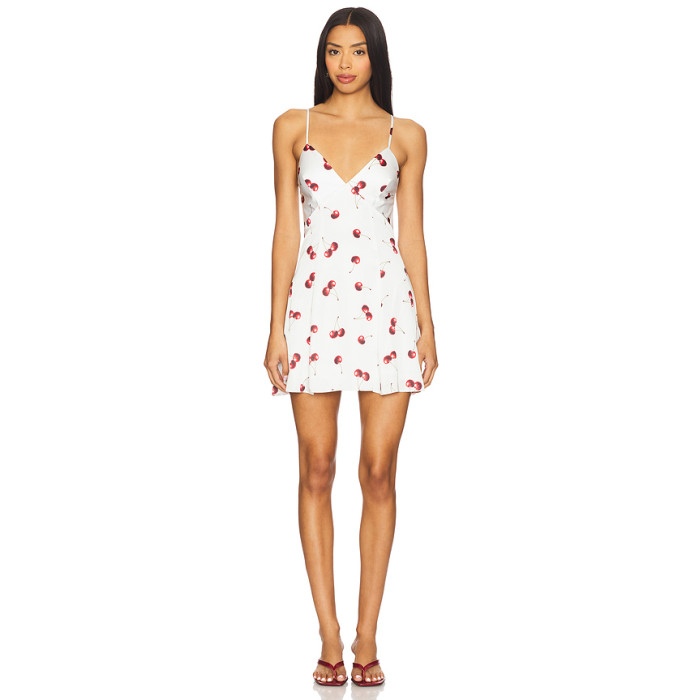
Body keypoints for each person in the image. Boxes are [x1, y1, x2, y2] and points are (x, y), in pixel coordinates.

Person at [263, 7, 437, 687]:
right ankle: (329, 635)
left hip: (387, 311)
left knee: (379, 470)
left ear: (376, 58)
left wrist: (428, 324)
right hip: (312, 308)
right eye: (334, 51)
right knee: (316, 467)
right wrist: (274, 326)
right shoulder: (293, 128)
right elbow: (285, 230)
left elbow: (412, 233)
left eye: (358, 51)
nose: (344, 63)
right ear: (322, 58)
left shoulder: (407, 135)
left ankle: (368, 635)